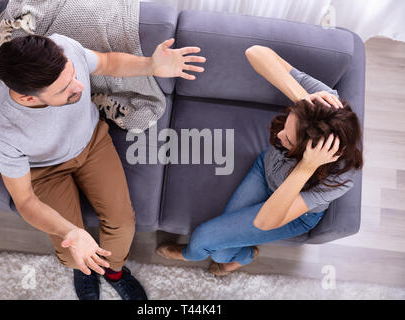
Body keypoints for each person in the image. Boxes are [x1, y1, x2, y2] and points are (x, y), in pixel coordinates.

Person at [0, 34, 206, 299]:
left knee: (123, 225)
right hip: (45, 170)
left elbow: (108, 62)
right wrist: (71, 231)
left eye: (74, 75)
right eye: (64, 89)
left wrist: (151, 65)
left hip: (92, 143)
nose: (79, 87)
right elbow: (26, 200)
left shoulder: (64, 48)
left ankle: (115, 273)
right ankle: (84, 270)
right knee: (69, 252)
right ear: (29, 98)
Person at [156, 45, 363, 276]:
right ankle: (244, 255)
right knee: (222, 251)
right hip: (265, 169)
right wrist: (304, 100)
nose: (279, 136)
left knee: (207, 242)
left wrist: (306, 167)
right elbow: (255, 53)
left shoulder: (341, 178)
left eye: (289, 141)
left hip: (294, 212)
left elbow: (265, 222)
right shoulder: (325, 103)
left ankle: (192, 254)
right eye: (287, 126)